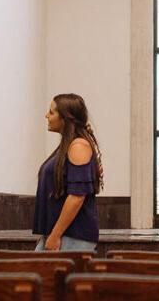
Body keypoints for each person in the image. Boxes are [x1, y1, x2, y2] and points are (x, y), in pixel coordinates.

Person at [34, 93, 103, 251]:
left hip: (72, 235)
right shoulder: (68, 145)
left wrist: (55, 235)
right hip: (61, 235)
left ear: (65, 117)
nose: (47, 115)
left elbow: (77, 196)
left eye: (51, 112)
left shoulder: (78, 146)